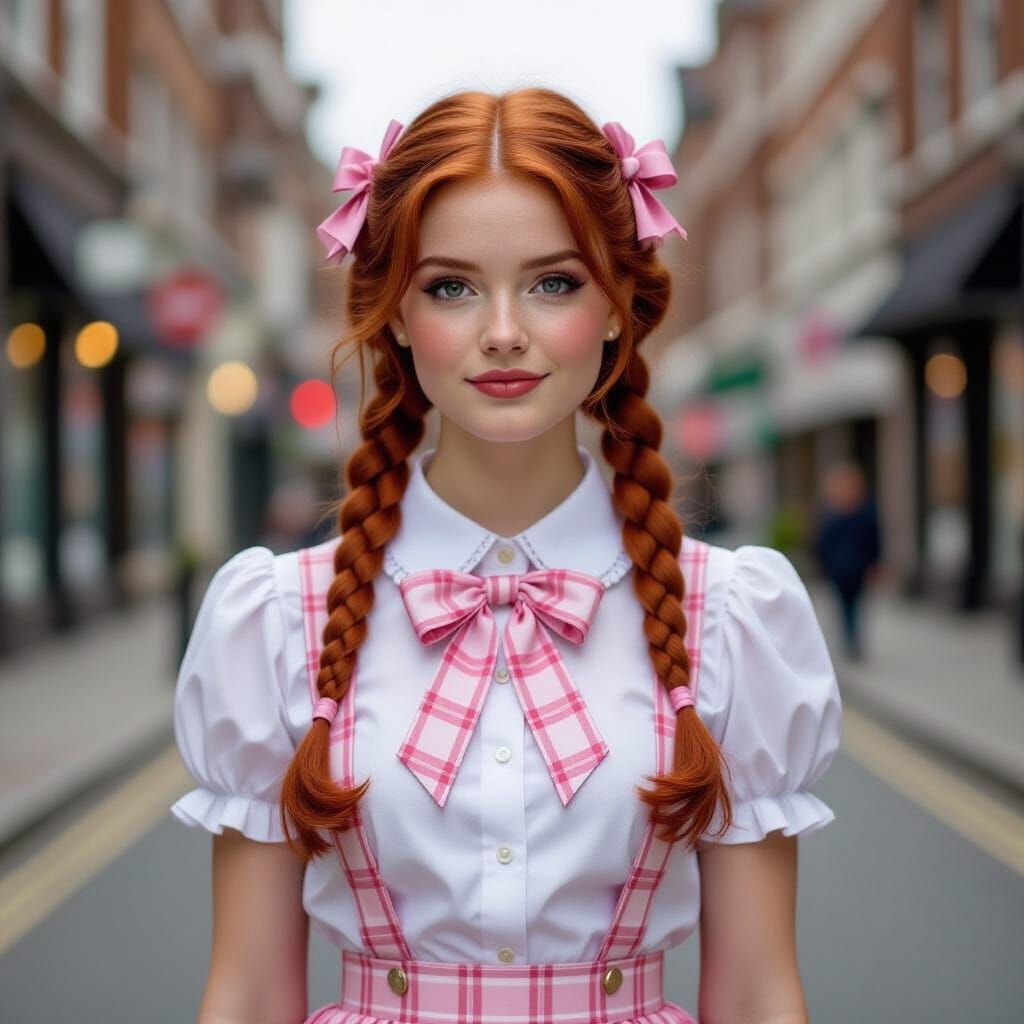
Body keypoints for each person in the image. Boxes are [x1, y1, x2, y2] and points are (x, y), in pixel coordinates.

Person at [171, 88, 843, 1024]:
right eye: (451, 286)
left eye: (553, 283)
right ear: (397, 317)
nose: (502, 330)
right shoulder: (280, 618)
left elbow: (763, 990)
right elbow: (244, 993)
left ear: (616, 307)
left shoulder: (729, 616)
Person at [812, 461, 883, 662]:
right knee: (843, 606)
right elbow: (821, 543)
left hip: (858, 569)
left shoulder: (865, 513)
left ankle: (854, 640)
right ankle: (849, 640)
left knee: (857, 606)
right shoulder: (830, 515)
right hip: (838, 570)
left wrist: (875, 563)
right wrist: (821, 564)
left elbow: (874, 540)